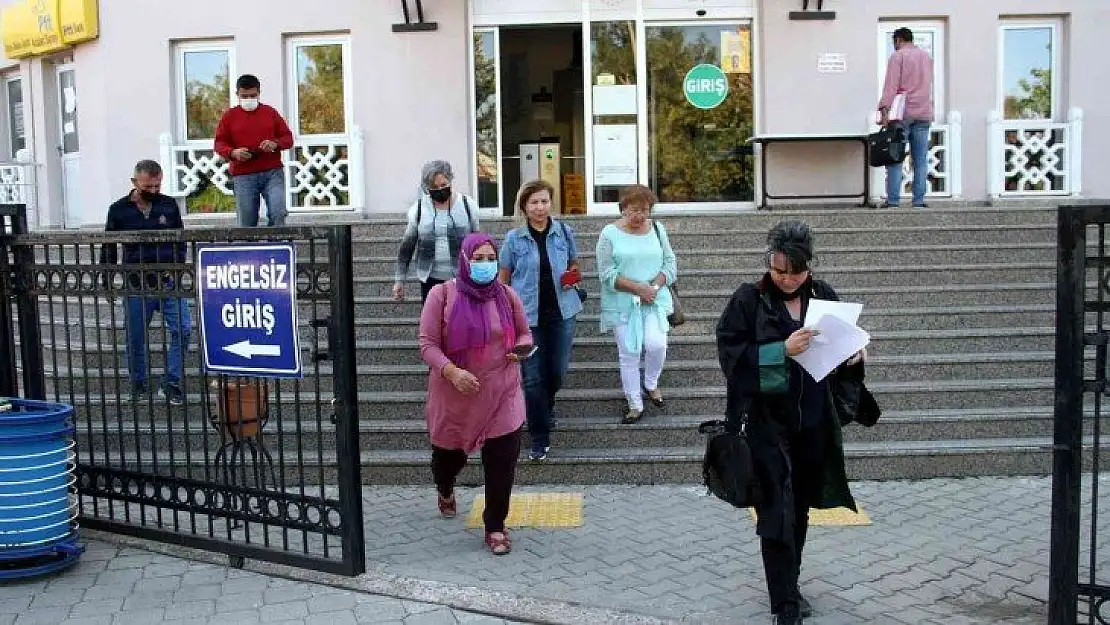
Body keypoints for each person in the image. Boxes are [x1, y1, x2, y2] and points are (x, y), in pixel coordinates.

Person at [715, 221, 872, 625]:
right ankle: (783, 603)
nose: (786, 279)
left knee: (799, 508)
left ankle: (791, 585)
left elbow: (842, 354)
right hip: (766, 425)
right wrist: (779, 350)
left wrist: (854, 357)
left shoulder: (824, 297)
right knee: (775, 511)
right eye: (779, 270)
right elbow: (731, 359)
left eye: (795, 272)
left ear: (810, 267)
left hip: (813, 421)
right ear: (768, 262)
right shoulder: (748, 300)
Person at [418, 233, 533, 556]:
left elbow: (524, 332)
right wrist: (452, 372)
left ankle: (495, 526)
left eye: (490, 258)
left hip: (502, 393)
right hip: (456, 397)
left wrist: (522, 348)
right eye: (478, 259)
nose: (485, 265)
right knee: (447, 461)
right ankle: (445, 488)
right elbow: (427, 344)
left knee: (502, 462)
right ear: (465, 261)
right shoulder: (442, 295)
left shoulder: (507, 296)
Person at [498, 180, 582, 461]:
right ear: (524, 206)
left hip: (562, 313)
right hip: (527, 317)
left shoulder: (563, 232)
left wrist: (572, 276)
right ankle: (539, 436)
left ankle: (545, 408)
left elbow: (573, 263)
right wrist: (504, 312)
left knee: (556, 371)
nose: (540, 207)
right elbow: (504, 278)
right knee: (533, 378)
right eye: (534, 202)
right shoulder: (513, 239)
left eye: (544, 201)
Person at [99, 160, 191, 406]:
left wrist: (178, 271)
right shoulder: (118, 210)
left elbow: (180, 240)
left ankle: (171, 382)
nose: (153, 191)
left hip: (168, 281)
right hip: (136, 284)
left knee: (182, 330)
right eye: (148, 186)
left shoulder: (169, 205)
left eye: (157, 186)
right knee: (135, 337)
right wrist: (106, 279)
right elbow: (108, 247)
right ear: (134, 182)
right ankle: (139, 383)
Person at [596, 185, 677, 425]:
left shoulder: (658, 229)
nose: (638, 216)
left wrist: (653, 287)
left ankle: (651, 383)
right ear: (622, 209)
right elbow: (606, 274)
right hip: (622, 303)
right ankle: (634, 403)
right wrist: (637, 289)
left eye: (643, 210)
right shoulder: (608, 234)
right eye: (632, 210)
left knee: (656, 345)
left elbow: (670, 264)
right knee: (629, 353)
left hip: (654, 300)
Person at [395, 160, 481, 303]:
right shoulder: (419, 209)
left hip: (463, 278)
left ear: (450, 181)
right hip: (430, 279)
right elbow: (407, 246)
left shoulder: (467, 205)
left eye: (444, 185)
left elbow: (479, 242)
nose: (440, 189)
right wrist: (399, 280)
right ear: (426, 188)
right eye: (434, 187)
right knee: (432, 323)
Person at [214, 74, 294, 227]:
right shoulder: (229, 116)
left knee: (278, 212)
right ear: (237, 94)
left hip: (272, 172)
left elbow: (288, 138)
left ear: (259, 93)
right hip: (243, 175)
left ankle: (277, 247)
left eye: (253, 95)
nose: (249, 99)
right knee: (246, 221)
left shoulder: (270, 112)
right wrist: (233, 152)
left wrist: (275, 143)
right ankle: (248, 249)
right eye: (245, 96)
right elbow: (219, 143)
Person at [878, 27, 935, 209]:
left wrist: (884, 109)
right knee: (920, 159)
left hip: (903, 113)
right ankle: (918, 201)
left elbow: (891, 85)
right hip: (924, 112)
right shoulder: (926, 57)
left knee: (895, 156)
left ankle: (893, 200)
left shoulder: (898, 57)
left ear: (898, 40)